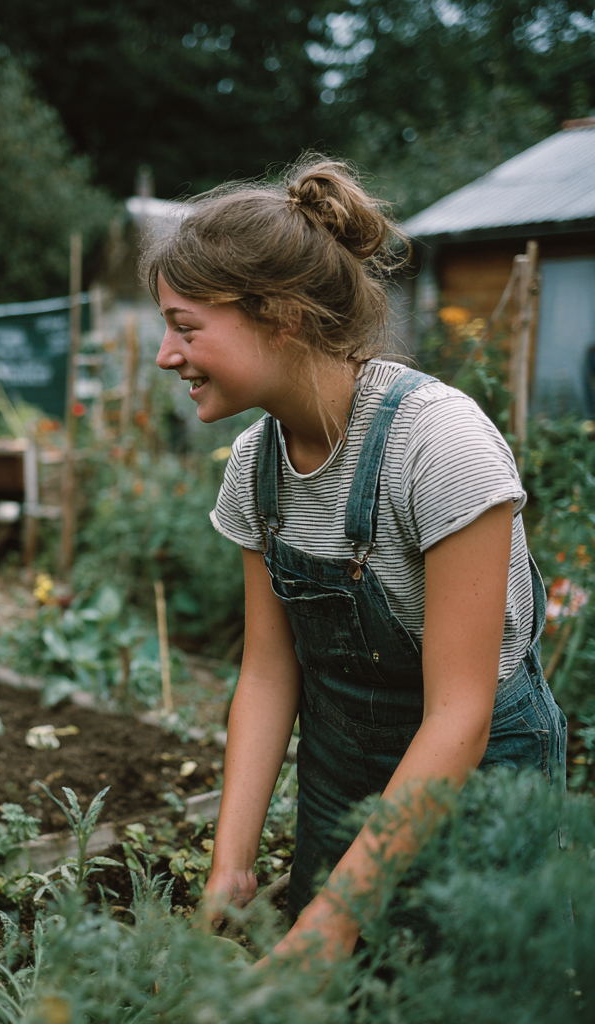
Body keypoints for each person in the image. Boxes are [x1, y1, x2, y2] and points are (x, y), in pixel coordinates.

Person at [144, 159, 567, 960]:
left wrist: (336, 918)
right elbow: (270, 675)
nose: (167, 354)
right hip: (341, 783)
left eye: (186, 326)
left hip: (474, 787)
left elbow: (459, 716)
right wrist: (230, 868)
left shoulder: (439, 446)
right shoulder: (254, 467)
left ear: (282, 318)